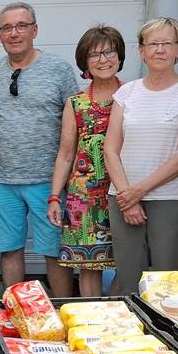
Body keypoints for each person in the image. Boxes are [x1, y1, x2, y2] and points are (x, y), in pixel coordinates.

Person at [0, 2, 79, 298]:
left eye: (21, 26)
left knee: (54, 251)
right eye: (7, 28)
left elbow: (76, 118)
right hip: (1, 180)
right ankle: (18, 317)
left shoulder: (58, 70)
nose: (14, 33)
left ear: (35, 30)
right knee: (9, 249)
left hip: (48, 180)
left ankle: (61, 311)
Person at [103, 17, 178, 295]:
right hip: (123, 199)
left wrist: (139, 192)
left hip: (171, 199)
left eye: (167, 43)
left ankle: (171, 336)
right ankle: (127, 337)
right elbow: (110, 149)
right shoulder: (126, 93)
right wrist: (127, 196)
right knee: (128, 278)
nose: (160, 50)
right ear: (141, 51)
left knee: (170, 281)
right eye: (153, 44)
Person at [47, 25, 125, 297]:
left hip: (124, 192)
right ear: (85, 62)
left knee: (128, 262)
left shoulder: (133, 96)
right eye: (95, 55)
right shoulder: (76, 103)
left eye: (109, 52)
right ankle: (93, 320)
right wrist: (55, 197)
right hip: (84, 197)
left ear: (120, 56)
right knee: (88, 264)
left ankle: (118, 316)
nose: (103, 60)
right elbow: (66, 153)